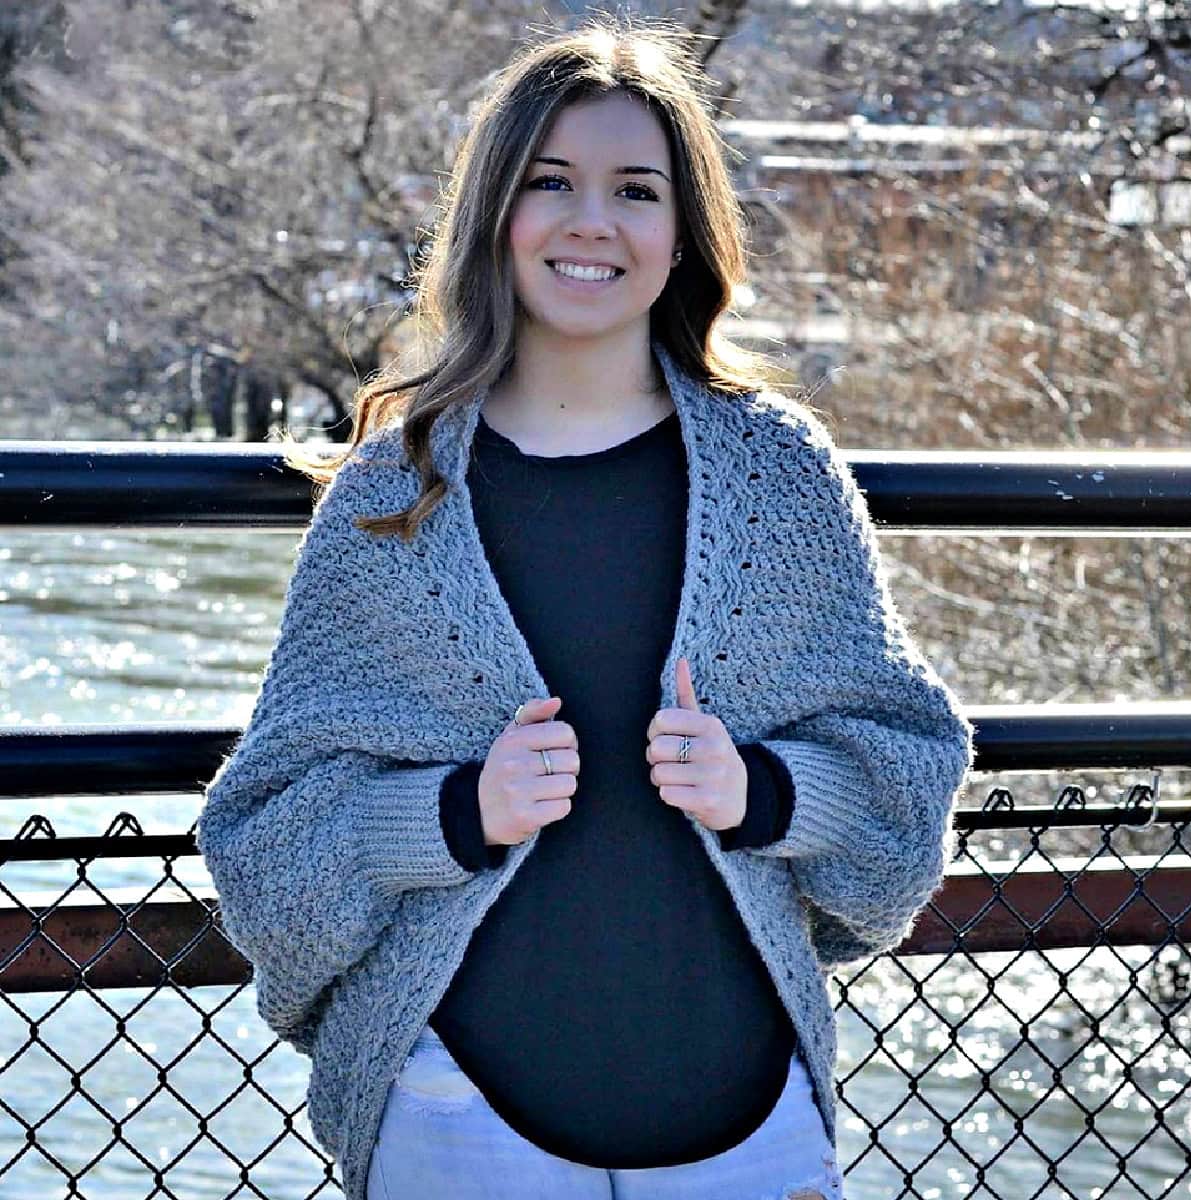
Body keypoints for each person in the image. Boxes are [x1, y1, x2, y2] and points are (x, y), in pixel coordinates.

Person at [195, 15, 975, 1200]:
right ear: (495, 217)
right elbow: (264, 853)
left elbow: (904, 789)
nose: (591, 219)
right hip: (457, 1119)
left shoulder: (781, 474)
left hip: (750, 1129)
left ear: (683, 234)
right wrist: (455, 812)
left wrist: (766, 791)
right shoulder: (391, 500)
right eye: (550, 182)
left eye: (636, 189)